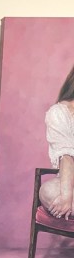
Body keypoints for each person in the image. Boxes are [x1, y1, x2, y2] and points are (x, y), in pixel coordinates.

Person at [40, 64, 74, 221]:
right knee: (48, 190)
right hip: (69, 181)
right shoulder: (59, 112)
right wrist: (66, 197)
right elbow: (66, 156)